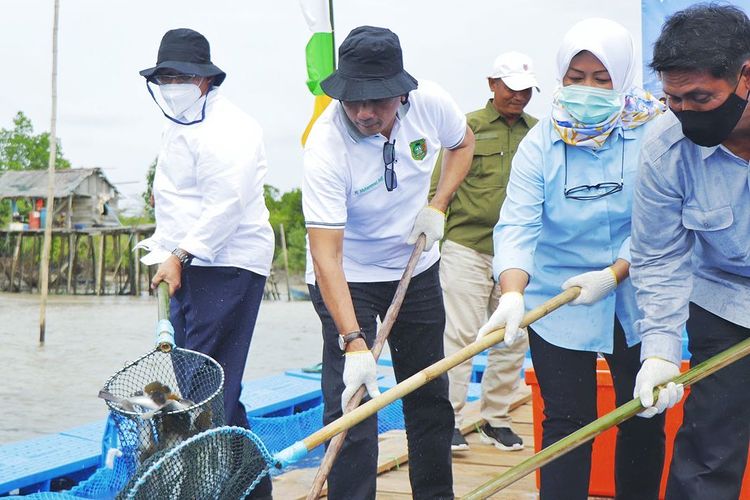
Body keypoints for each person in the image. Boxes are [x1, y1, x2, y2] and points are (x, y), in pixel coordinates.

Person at [480, 18, 667, 500]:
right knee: (566, 421)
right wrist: (513, 292)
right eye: (575, 77)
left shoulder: (655, 133)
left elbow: (659, 220)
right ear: (560, 78)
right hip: (558, 297)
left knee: (642, 410)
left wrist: (614, 273)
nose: (587, 88)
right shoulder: (538, 144)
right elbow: (519, 223)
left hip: (636, 290)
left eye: (601, 78)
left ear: (623, 77)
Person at [302, 26, 474, 500]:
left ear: (402, 92)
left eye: (376, 100)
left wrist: (438, 205)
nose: (363, 112)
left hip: (414, 269)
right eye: (353, 100)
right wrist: (354, 342)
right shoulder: (324, 148)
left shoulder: (433, 104)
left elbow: (463, 144)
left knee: (428, 396)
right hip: (348, 277)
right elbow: (326, 257)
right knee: (353, 406)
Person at [137, 28, 274, 499]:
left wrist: (179, 255)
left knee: (207, 389)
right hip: (187, 264)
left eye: (181, 75)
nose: (172, 84)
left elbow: (226, 203)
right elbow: (174, 199)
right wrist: (165, 252)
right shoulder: (179, 121)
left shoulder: (229, 127)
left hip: (228, 264)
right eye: (165, 76)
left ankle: (224, 488)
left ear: (205, 79)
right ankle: (252, 490)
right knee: (206, 386)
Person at [631, 5, 750, 499]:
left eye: (701, 97)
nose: (686, 113)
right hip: (723, 298)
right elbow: (659, 257)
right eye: (673, 99)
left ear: (746, 77)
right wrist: (659, 350)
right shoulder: (664, 150)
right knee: (709, 445)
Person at [430, 51, 539, 453]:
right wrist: (433, 224)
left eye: (526, 89)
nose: (519, 96)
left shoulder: (540, 132)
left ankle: (496, 418)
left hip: (521, 254)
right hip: (468, 246)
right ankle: (451, 420)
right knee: (458, 335)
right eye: (512, 87)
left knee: (514, 338)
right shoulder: (467, 127)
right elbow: (440, 184)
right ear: (492, 84)